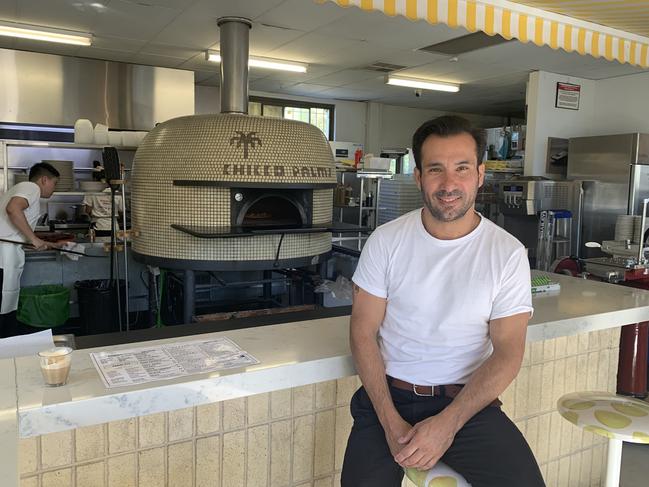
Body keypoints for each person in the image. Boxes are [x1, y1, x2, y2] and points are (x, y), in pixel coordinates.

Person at [341, 116, 545, 487]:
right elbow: (362, 332)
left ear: (480, 174)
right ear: (418, 176)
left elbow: (507, 353)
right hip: (388, 399)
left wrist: (447, 425)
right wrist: (390, 422)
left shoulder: (507, 254)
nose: (449, 184)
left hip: (466, 406)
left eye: (462, 168)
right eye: (436, 169)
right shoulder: (386, 242)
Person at [0, 162, 60, 337]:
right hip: (4, 256)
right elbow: (13, 209)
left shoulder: (23, 189)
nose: (54, 188)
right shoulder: (31, 187)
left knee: (6, 305)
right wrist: (33, 238)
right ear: (43, 180)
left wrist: (45, 243)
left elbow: (13, 229)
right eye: (54, 183)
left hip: (7, 251)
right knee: (3, 307)